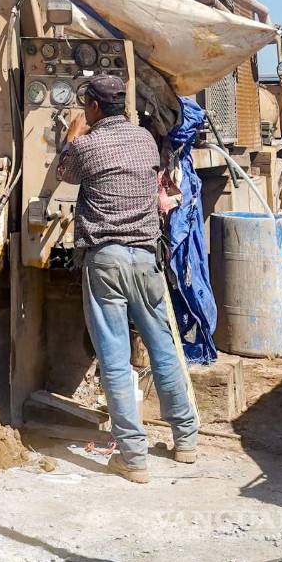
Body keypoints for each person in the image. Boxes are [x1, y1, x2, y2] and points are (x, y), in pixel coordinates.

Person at [57, 73, 199, 483]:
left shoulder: (88, 145)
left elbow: (64, 172)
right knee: (163, 347)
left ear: (95, 108)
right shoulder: (144, 140)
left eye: (87, 106)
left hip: (108, 260)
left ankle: (133, 458)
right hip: (147, 259)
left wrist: (72, 133)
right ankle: (186, 440)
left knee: (116, 359)